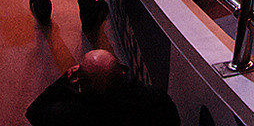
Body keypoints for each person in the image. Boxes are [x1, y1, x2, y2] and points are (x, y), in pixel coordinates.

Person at [26, 49, 182, 126]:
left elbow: (34, 113)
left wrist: (63, 80)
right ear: (121, 72)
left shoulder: (67, 115)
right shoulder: (157, 101)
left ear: (80, 84)